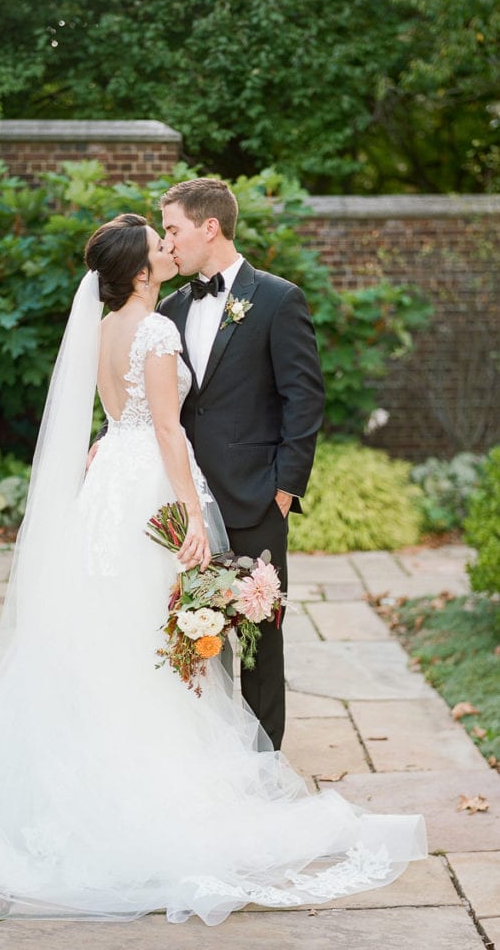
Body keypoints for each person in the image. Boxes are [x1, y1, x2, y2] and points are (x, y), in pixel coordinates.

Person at [0, 214, 426, 925]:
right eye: (159, 243)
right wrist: (187, 506)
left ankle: (85, 786)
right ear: (143, 268)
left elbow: (121, 416)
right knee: (150, 632)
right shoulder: (154, 327)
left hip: (109, 490)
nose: (168, 246)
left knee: (111, 628)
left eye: (170, 233)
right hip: (149, 484)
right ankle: (155, 796)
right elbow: (167, 426)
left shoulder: (108, 324)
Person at [158, 178, 326, 751]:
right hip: (187, 503)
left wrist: (286, 486)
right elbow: (157, 399)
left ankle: (265, 770)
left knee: (258, 640)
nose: (166, 242)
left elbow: (304, 398)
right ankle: (208, 765)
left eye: (173, 229)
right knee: (192, 637)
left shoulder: (278, 298)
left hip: (256, 497)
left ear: (210, 227)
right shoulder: (170, 307)